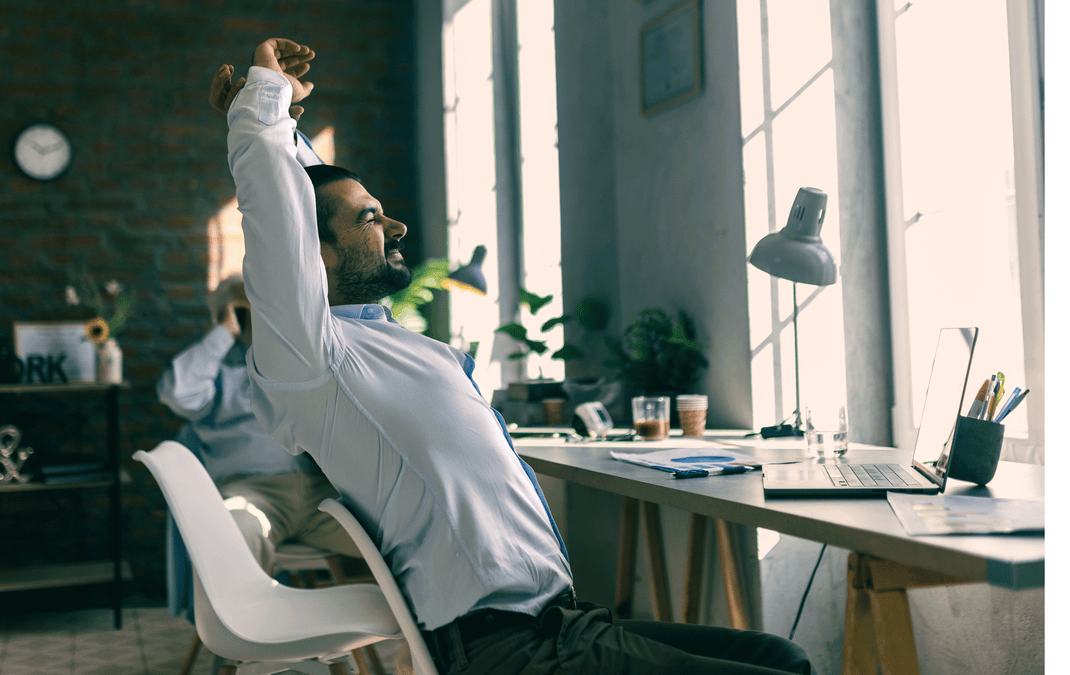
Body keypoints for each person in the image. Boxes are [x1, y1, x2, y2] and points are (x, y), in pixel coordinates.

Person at [208, 37, 816, 674]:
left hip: (560, 624)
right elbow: (281, 215)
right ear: (315, 256)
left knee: (780, 658)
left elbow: (312, 203)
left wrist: (279, 122)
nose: (397, 227)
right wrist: (259, 104)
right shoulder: (315, 359)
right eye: (372, 219)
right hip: (509, 647)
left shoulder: (370, 343)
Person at [157, 274, 360, 573]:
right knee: (233, 536)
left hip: (322, 492)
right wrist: (223, 333)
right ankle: (243, 609)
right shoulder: (215, 371)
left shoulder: (299, 361)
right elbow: (179, 393)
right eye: (245, 307)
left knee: (395, 532)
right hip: (252, 491)